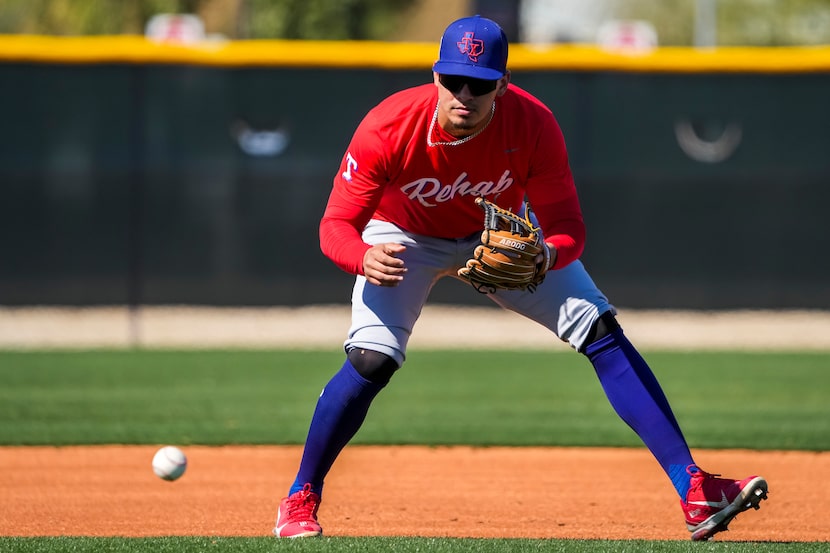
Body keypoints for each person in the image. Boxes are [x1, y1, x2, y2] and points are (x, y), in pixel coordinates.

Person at [273, 15, 768, 541]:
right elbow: (335, 226)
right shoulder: (388, 126)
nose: (464, 94)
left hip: (497, 238)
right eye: (453, 80)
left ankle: (695, 489)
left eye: (480, 84)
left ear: (502, 85)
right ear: (434, 77)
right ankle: (300, 498)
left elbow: (568, 229)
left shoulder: (534, 125)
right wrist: (360, 258)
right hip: (403, 238)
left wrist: (546, 258)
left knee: (597, 327)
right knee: (372, 358)